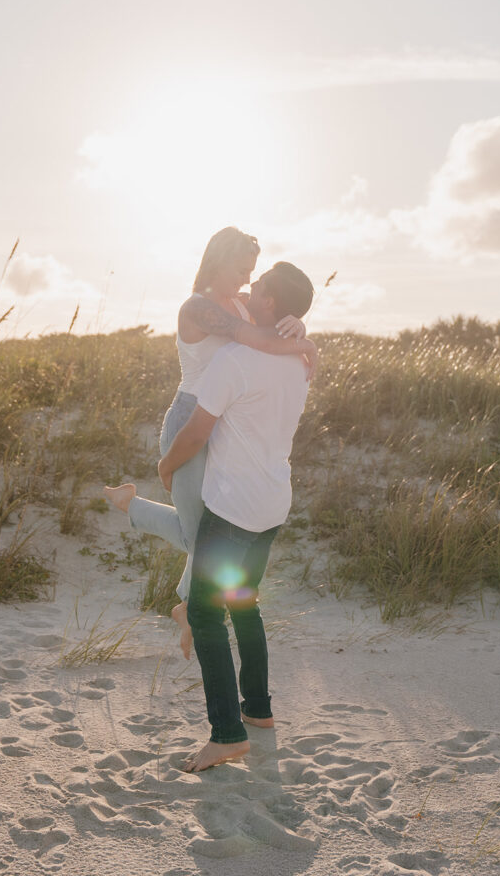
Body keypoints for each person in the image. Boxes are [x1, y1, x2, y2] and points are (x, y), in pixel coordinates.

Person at [104, 228, 316, 658]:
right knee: (201, 536)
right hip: (191, 422)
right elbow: (257, 339)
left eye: (251, 273)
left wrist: (297, 324)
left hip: (225, 425)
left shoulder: (239, 303)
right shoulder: (198, 308)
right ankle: (133, 508)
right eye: (241, 269)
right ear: (219, 260)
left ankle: (185, 604)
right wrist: (305, 342)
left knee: (215, 531)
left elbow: (269, 335)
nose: (246, 279)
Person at [158, 261, 314, 773]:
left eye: (259, 283)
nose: (251, 286)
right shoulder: (300, 361)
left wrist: (167, 464)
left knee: (205, 614)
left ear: (269, 305)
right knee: (244, 605)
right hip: (273, 504)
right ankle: (259, 711)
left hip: (232, 509)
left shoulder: (235, 359)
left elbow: (198, 432)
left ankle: (227, 734)